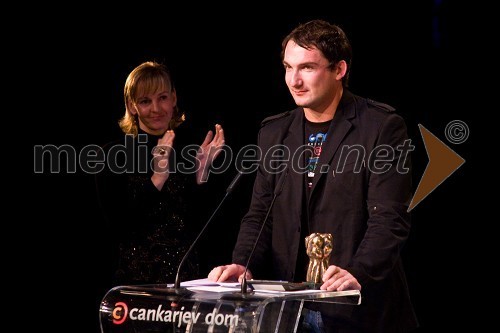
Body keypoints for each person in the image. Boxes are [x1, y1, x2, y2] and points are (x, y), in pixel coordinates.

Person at [207, 20, 418, 332]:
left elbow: (389, 219)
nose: (294, 80)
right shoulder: (275, 132)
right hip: (287, 309)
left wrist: (358, 272)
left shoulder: (380, 127)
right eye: (288, 67)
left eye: (307, 67)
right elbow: (260, 214)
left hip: (355, 309)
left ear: (339, 69)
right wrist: (243, 263)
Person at [96, 61, 225, 286]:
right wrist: (157, 177)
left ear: (174, 99)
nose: (156, 108)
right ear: (132, 106)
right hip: (135, 289)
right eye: (145, 101)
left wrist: (201, 174)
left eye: (162, 98)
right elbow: (119, 228)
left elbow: (202, 228)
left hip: (186, 286)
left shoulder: (189, 152)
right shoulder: (113, 155)